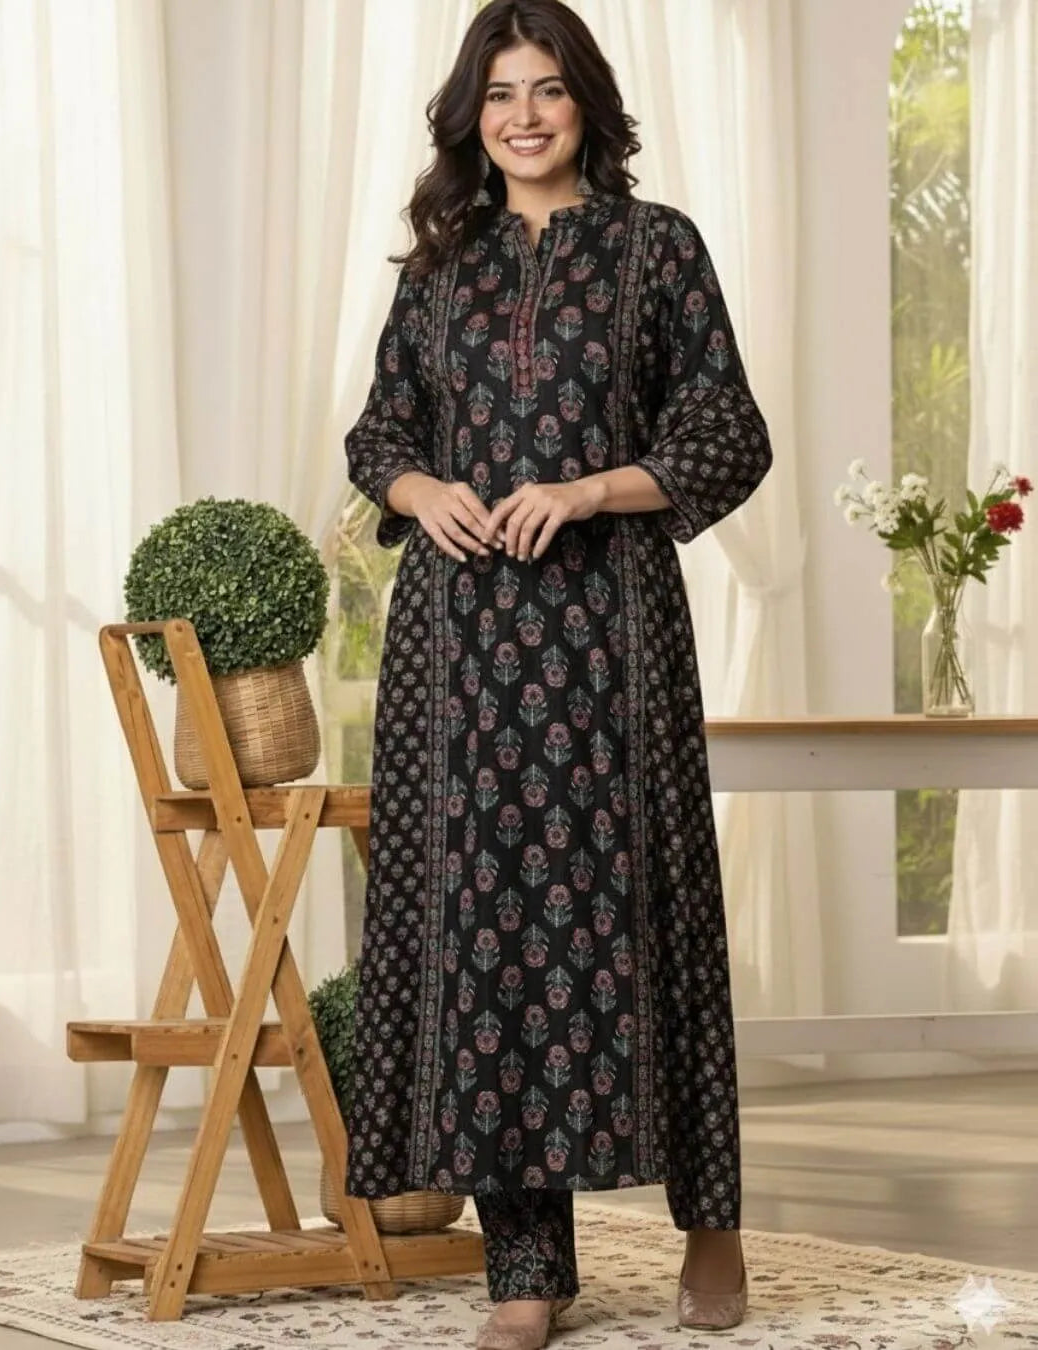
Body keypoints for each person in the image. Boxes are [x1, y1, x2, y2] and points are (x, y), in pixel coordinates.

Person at [343, 2, 772, 1346]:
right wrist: (427, 485)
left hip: (610, 640)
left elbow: (726, 434)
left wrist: (587, 489)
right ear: (473, 114)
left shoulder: (658, 252)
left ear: (588, 102)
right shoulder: (441, 266)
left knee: (651, 909)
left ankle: (713, 1227)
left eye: (548, 90)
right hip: (459, 645)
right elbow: (379, 433)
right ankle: (526, 1270)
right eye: (500, 94)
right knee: (488, 938)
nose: (524, 115)